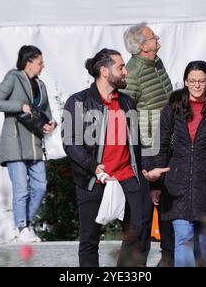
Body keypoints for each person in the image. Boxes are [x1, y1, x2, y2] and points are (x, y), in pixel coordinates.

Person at [144, 61, 206, 267]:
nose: (196, 85)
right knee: (183, 237)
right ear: (185, 81)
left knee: (202, 241)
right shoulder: (172, 108)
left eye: (201, 81)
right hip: (176, 182)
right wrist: (156, 184)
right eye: (192, 80)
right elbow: (162, 144)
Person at [62, 48, 146, 267]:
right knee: (89, 240)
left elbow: (137, 144)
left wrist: (145, 170)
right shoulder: (78, 102)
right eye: (120, 67)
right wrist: (94, 167)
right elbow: (70, 142)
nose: (126, 71)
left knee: (137, 234)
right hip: (94, 179)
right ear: (105, 71)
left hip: (128, 177)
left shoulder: (128, 103)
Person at [0, 45, 57, 243]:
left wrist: (52, 123)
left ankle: (22, 226)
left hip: (35, 143)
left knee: (41, 186)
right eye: (40, 62)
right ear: (29, 63)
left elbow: (46, 110)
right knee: (21, 189)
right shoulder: (13, 77)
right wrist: (20, 106)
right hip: (15, 142)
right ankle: (22, 227)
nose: (43, 66)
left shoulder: (41, 85)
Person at [121, 22, 174, 266]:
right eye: (153, 37)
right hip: (147, 148)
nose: (157, 38)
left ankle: (167, 257)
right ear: (143, 46)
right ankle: (134, 264)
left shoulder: (157, 63)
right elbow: (126, 115)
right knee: (142, 210)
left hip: (167, 144)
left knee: (167, 202)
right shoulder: (133, 72)